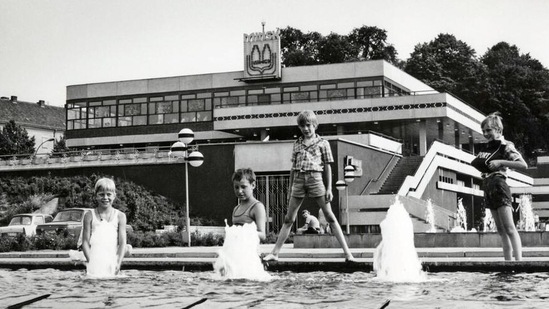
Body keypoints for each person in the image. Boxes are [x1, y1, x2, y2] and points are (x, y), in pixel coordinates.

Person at [264, 110, 355, 262]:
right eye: (302, 126)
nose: (306, 129)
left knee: (330, 217)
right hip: (299, 180)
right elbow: (293, 168)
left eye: (308, 125)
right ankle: (275, 253)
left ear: (315, 125)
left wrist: (329, 188)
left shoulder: (323, 143)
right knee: (288, 219)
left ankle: (348, 254)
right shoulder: (297, 144)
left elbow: (327, 167)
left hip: (315, 178)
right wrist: (290, 188)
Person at [470, 112, 527, 261]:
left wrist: (501, 162)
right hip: (489, 186)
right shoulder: (488, 148)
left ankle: (518, 262)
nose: (485, 133)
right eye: (483, 131)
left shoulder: (505, 146)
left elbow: (523, 164)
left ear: (498, 130)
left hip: (500, 184)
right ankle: (507, 262)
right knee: (501, 230)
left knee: (509, 228)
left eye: (489, 130)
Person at [81, 177, 128, 276]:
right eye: (101, 194)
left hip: (112, 262)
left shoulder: (120, 216)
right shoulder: (89, 215)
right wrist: (92, 262)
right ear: (96, 196)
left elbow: (122, 243)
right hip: (94, 261)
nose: (105, 198)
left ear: (114, 196)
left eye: (109, 194)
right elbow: (85, 242)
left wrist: (117, 263)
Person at [231, 168, 267, 241]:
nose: (239, 191)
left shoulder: (257, 207)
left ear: (253, 185)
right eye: (236, 187)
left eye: (243, 187)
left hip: (250, 251)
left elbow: (262, 235)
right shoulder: (236, 208)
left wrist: (243, 232)